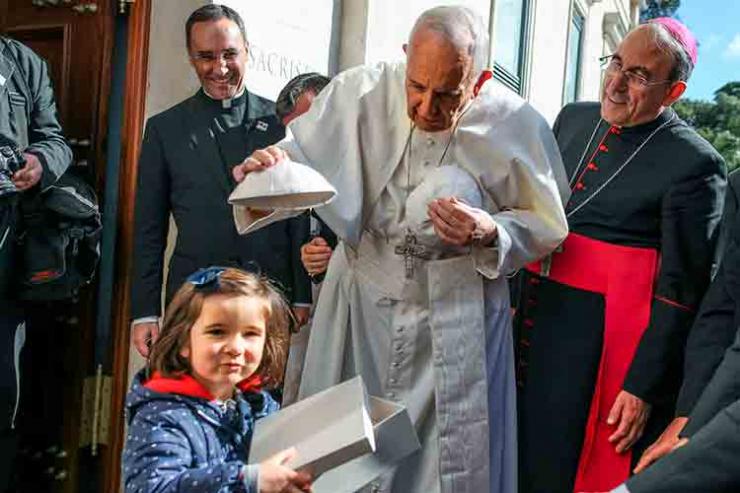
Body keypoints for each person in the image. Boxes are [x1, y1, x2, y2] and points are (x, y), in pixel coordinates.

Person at [234, 6, 568, 492]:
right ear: (406, 57)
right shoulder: (359, 93)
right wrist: (265, 170)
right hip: (363, 309)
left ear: (479, 81)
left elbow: (546, 222)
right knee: (342, 464)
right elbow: (298, 164)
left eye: (447, 94)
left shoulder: (514, 123)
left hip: (456, 320)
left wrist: (491, 231)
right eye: (417, 86)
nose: (427, 108)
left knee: (437, 470)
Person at [513, 18, 726, 493]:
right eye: (616, 64)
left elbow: (682, 292)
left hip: (599, 346)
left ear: (673, 92)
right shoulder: (572, 118)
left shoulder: (696, 163)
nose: (616, 83)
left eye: (639, 76)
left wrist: (643, 385)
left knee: (563, 462)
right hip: (534, 315)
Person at [130, 4, 311, 358]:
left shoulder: (280, 125)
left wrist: (300, 292)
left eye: (230, 54)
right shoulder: (164, 129)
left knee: (261, 410)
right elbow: (148, 228)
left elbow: (297, 214)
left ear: (248, 51)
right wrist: (144, 311)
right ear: (191, 58)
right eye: (206, 56)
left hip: (267, 295)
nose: (220, 68)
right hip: (194, 297)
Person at [122, 267, 312, 493]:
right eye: (217, 332)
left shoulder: (257, 406)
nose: (235, 348)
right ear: (183, 341)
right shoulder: (162, 416)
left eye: (250, 333)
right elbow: (153, 488)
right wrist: (248, 480)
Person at [0, 36, 72, 490]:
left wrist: (40, 161)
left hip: (6, 247)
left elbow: (55, 140)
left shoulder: (23, 62)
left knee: (4, 390)